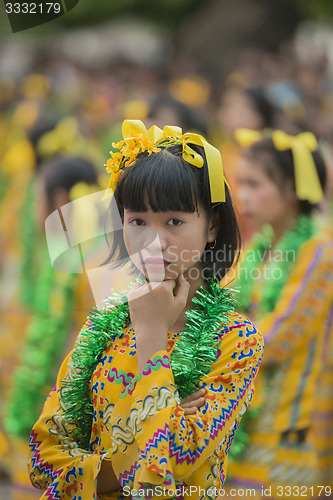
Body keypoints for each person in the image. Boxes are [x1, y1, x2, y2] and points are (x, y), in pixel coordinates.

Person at [27, 120, 264, 499]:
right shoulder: (101, 330)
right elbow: (42, 458)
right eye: (137, 221)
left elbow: (170, 461)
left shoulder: (237, 341)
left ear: (213, 226)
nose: (154, 242)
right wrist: (152, 430)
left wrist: (152, 335)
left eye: (174, 221)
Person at [226, 128, 333, 497]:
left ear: (291, 189)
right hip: (245, 412)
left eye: (255, 184)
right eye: (241, 183)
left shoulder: (319, 252)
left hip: (292, 418)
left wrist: (216, 351)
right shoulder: (259, 247)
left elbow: (276, 338)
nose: (243, 196)